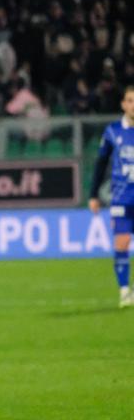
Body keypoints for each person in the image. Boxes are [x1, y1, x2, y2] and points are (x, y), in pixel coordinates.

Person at [89, 84, 134, 308]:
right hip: (122, 197)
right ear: (123, 104)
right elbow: (100, 164)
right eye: (130, 100)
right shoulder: (113, 131)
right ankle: (125, 291)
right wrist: (93, 194)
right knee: (122, 242)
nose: (133, 105)